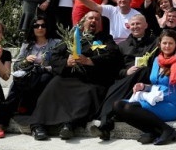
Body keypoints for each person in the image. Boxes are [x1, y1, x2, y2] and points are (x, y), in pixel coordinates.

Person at [23, 11, 123, 141]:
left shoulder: (106, 39)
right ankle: (38, 125)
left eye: (97, 19)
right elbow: (53, 56)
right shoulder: (73, 38)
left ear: (100, 24)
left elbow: (113, 56)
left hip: (91, 80)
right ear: (83, 22)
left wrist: (89, 61)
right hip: (69, 76)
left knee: (89, 93)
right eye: (90, 18)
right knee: (53, 86)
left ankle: (69, 125)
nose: (93, 21)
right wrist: (66, 62)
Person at [113, 30, 176, 145]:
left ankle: (167, 130)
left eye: (171, 43)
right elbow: (156, 85)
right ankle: (151, 131)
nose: (167, 46)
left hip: (169, 104)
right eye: (164, 43)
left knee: (131, 108)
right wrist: (144, 86)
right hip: (154, 99)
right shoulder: (157, 60)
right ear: (159, 44)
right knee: (118, 105)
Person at [90, 14, 157, 141]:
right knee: (113, 88)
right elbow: (115, 69)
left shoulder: (155, 43)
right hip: (125, 80)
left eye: (138, 23)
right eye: (132, 24)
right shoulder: (122, 46)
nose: (135, 26)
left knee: (143, 70)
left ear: (146, 25)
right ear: (128, 26)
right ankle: (105, 125)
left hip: (145, 80)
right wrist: (126, 72)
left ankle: (104, 122)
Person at [8, 15, 60, 116]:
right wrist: (26, 61)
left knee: (43, 78)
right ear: (32, 28)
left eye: (43, 26)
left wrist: (44, 67)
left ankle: (26, 106)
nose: (40, 28)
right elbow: (16, 65)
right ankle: (11, 107)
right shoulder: (27, 45)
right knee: (19, 80)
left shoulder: (56, 43)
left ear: (47, 27)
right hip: (30, 74)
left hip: (46, 74)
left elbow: (59, 63)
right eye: (36, 26)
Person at [75, 0, 141, 45]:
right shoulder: (111, 10)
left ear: (130, 0)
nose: (123, 0)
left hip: (130, 44)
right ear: (117, 0)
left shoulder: (137, 15)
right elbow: (94, 6)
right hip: (114, 44)